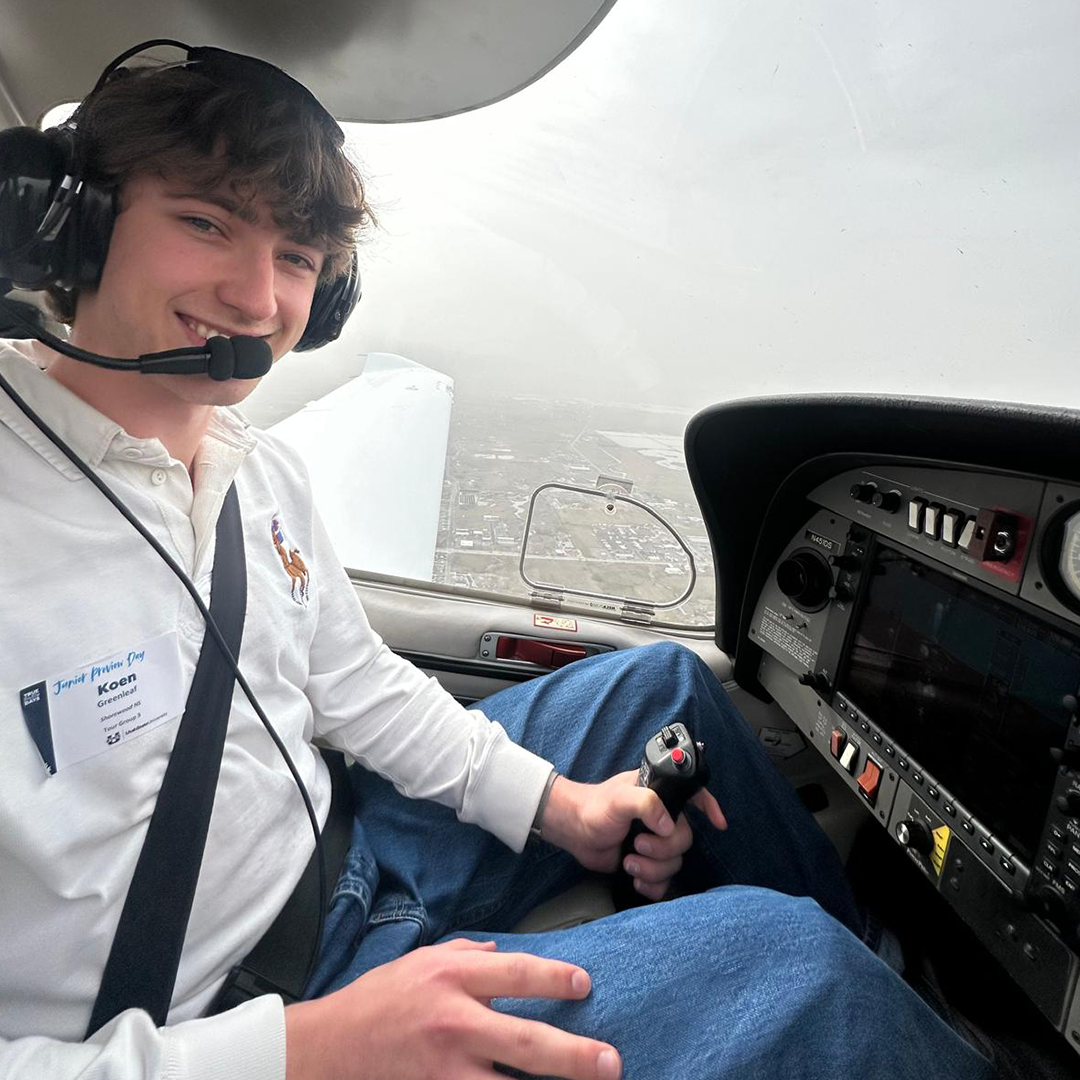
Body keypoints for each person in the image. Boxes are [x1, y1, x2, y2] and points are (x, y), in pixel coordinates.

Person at [0, 44, 995, 1080]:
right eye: (206, 221)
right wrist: (299, 1052)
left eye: (296, 257)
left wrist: (564, 809)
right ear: (66, 219)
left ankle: (902, 1012)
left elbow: (358, 684)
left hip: (343, 855)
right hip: (229, 1023)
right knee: (797, 972)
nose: (258, 297)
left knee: (667, 687)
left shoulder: (257, 470)